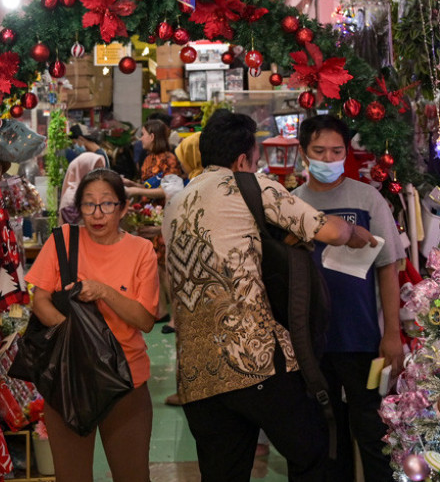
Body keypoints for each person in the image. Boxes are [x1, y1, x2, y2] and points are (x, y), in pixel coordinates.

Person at [162, 110, 379, 482]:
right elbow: (327, 230)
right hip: (257, 361)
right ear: (245, 158)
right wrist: (356, 233)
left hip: (197, 375)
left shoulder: (177, 203)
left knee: (224, 473)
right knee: (314, 456)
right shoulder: (250, 185)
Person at [25, 169, 159, 482]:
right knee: (71, 476)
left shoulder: (141, 251)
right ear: (79, 208)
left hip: (126, 383)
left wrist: (103, 291)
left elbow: (145, 320)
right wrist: (73, 338)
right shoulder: (62, 242)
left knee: (133, 475)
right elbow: (40, 300)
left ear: (124, 208)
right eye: (88, 205)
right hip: (68, 380)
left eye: (107, 204)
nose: (97, 214)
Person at [294, 114, 405, 482]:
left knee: (373, 435)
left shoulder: (368, 198)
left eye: (336, 151)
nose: (328, 159)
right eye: (319, 151)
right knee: (328, 440)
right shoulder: (292, 205)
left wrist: (391, 334)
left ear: (347, 152)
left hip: (363, 344)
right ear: (303, 153)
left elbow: (388, 269)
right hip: (313, 346)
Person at [58, 152, 105, 224]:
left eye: (102, 170)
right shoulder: (71, 199)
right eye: (96, 169)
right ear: (84, 170)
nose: (100, 175)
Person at [139, 120, 182, 185]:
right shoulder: (148, 158)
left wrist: (135, 190)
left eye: (143, 134)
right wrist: (132, 185)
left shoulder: (168, 159)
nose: (141, 139)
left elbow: (170, 189)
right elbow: (147, 186)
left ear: (152, 137)